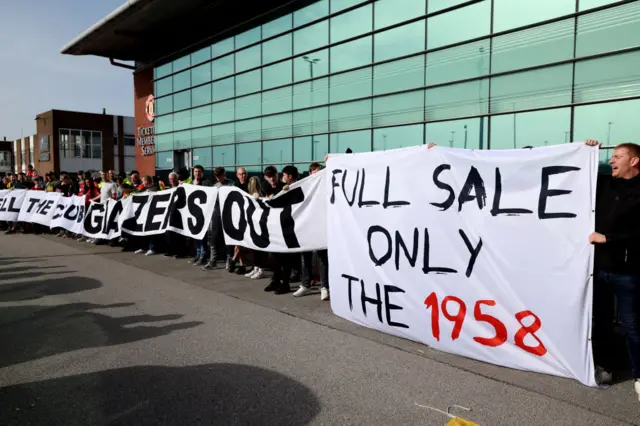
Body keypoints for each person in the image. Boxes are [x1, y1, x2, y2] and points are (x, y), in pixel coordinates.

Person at [586, 140, 640, 397]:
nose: (612, 161)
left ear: (634, 160)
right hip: (599, 268)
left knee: (632, 325)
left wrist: (608, 238)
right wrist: (586, 151)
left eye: (618, 156)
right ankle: (605, 366)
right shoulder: (605, 184)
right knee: (602, 321)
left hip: (628, 272)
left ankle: (639, 375)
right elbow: (577, 174)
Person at [293, 163, 330, 301]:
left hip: (321, 228)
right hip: (307, 227)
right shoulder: (305, 186)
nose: (315, 174)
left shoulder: (326, 187)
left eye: (318, 171)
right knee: (305, 258)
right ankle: (305, 284)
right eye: (313, 171)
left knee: (322, 258)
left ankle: (324, 287)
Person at [264, 165, 299, 295]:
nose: (272, 179)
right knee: (273, 256)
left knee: (284, 257)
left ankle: (285, 283)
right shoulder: (266, 187)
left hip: (284, 225)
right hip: (273, 226)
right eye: (270, 176)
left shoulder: (283, 187)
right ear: (266, 178)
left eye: (274, 176)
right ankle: (275, 280)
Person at [203, 167, 236, 271]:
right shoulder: (215, 186)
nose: (218, 178)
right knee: (214, 238)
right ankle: (213, 261)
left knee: (228, 238)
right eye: (216, 176)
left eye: (220, 175)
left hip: (228, 214)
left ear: (224, 174)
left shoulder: (231, 184)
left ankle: (229, 260)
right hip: (217, 214)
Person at [243, 177, 266, 280]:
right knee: (254, 248)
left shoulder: (259, 195)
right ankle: (256, 267)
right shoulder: (250, 194)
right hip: (253, 224)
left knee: (260, 249)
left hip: (259, 225)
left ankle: (261, 269)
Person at [189, 165, 211, 266]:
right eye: (196, 171)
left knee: (202, 236)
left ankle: (203, 256)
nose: (197, 173)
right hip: (193, 213)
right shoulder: (190, 183)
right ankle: (198, 254)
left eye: (199, 172)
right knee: (196, 235)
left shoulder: (206, 183)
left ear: (202, 173)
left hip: (203, 213)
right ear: (193, 172)